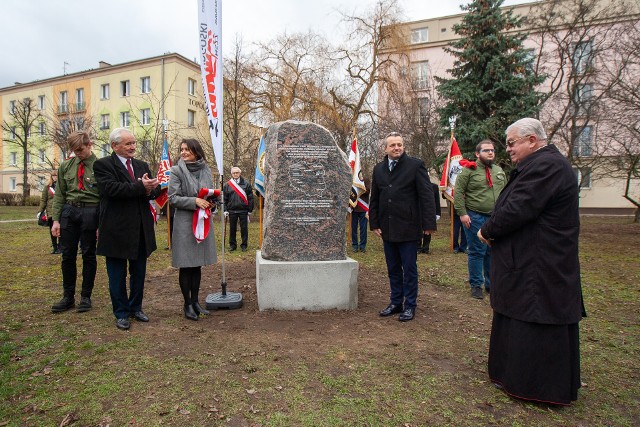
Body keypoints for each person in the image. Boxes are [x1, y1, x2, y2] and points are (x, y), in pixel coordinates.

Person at [478, 117, 586, 405]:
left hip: (540, 264)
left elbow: (518, 207)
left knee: (536, 314)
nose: (509, 149)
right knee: (519, 314)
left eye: (512, 143)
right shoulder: (539, 165)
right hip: (529, 259)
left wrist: (487, 230)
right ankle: (512, 375)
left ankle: (536, 386)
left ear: (532, 141)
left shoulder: (546, 166)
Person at [94, 128, 160, 331]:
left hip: (140, 229)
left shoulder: (141, 165)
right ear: (115, 146)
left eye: (134, 143)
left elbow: (151, 192)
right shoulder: (103, 165)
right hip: (116, 229)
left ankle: (136, 307)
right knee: (117, 274)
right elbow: (112, 190)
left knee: (139, 272)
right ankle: (121, 313)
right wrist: (141, 187)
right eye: (128, 144)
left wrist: (152, 187)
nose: (133, 147)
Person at [369, 132, 436, 322]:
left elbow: (426, 196)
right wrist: (374, 222)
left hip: (408, 227)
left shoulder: (415, 165)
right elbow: (375, 198)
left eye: (399, 145)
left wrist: (429, 224)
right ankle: (396, 302)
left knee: (409, 269)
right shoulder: (379, 169)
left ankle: (410, 305)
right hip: (387, 228)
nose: (397, 148)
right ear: (385, 148)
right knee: (393, 269)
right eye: (393, 145)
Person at [168, 139, 219, 321]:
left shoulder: (205, 169)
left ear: (196, 152)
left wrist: (212, 203)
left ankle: (196, 301)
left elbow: (208, 192)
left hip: (202, 221)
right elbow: (173, 198)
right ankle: (187, 304)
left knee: (197, 264)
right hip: (184, 223)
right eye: (181, 149)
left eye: (187, 149)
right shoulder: (176, 171)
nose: (183, 152)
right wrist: (195, 201)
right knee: (186, 264)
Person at [50, 132, 100, 313]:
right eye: (74, 150)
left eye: (80, 149)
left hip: (91, 211)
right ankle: (68, 297)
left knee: (88, 254)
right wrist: (56, 220)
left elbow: (105, 197)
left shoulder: (100, 166)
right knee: (67, 255)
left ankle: (86, 297)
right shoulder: (66, 166)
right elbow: (60, 195)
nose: (77, 153)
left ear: (90, 144)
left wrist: (101, 223)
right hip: (69, 212)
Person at [454, 140, 506, 299]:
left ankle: (491, 284)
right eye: (486, 150)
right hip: (475, 216)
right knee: (477, 251)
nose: (490, 153)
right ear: (477, 154)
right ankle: (476, 285)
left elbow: (505, 193)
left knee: (492, 250)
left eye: (492, 150)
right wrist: (462, 213)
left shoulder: (498, 170)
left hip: (495, 217)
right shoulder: (469, 171)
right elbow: (458, 192)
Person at [223, 166, 254, 252]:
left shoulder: (246, 184)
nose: (235, 174)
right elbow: (224, 199)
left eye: (237, 172)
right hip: (232, 210)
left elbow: (250, 198)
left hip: (243, 210)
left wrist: (250, 210)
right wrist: (225, 210)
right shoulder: (227, 185)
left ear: (240, 173)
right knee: (232, 229)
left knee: (244, 229)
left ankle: (244, 245)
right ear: (231, 174)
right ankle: (232, 245)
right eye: (234, 173)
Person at [39, 171, 60, 254]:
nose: (55, 177)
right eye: (53, 176)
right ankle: (55, 247)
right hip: (50, 211)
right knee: (52, 229)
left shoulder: (61, 186)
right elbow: (43, 200)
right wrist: (40, 211)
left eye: (56, 176)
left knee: (61, 229)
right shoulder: (47, 187)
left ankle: (60, 246)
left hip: (60, 210)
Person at [419, 182, 441, 254]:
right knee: (418, 229)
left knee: (428, 229)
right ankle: (418, 247)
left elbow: (437, 200)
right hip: (418, 210)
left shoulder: (434, 186)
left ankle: (426, 247)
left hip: (429, 211)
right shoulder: (417, 185)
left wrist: (438, 213)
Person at [351, 177, 370, 253]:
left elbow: (368, 191)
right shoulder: (352, 180)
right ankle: (355, 245)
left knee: (363, 228)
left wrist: (360, 188)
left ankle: (362, 246)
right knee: (354, 228)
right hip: (354, 207)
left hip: (363, 208)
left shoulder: (366, 179)